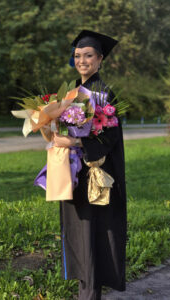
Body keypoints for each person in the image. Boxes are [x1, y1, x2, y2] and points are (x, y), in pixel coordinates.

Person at [53, 30, 127, 300]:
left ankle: (90, 293)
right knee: (78, 231)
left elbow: (110, 137)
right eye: (77, 56)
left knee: (94, 234)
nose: (82, 61)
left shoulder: (106, 95)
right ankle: (85, 290)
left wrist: (78, 144)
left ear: (100, 60)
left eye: (88, 56)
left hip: (96, 176)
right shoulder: (70, 92)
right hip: (74, 173)